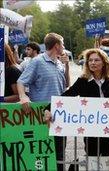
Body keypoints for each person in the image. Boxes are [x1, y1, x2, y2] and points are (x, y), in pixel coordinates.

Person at [45, 48, 109, 170]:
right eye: (90, 60)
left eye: (96, 60)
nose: (92, 63)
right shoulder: (83, 80)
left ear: (104, 62)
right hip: (91, 126)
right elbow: (68, 94)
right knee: (91, 154)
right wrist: (49, 108)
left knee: (108, 155)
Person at [17, 33, 69, 171]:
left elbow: (66, 84)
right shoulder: (37, 62)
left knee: (59, 153)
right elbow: (21, 81)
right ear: (57, 46)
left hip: (59, 116)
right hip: (41, 116)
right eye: (62, 44)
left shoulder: (59, 63)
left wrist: (67, 65)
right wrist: (23, 97)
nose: (64, 47)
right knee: (42, 153)